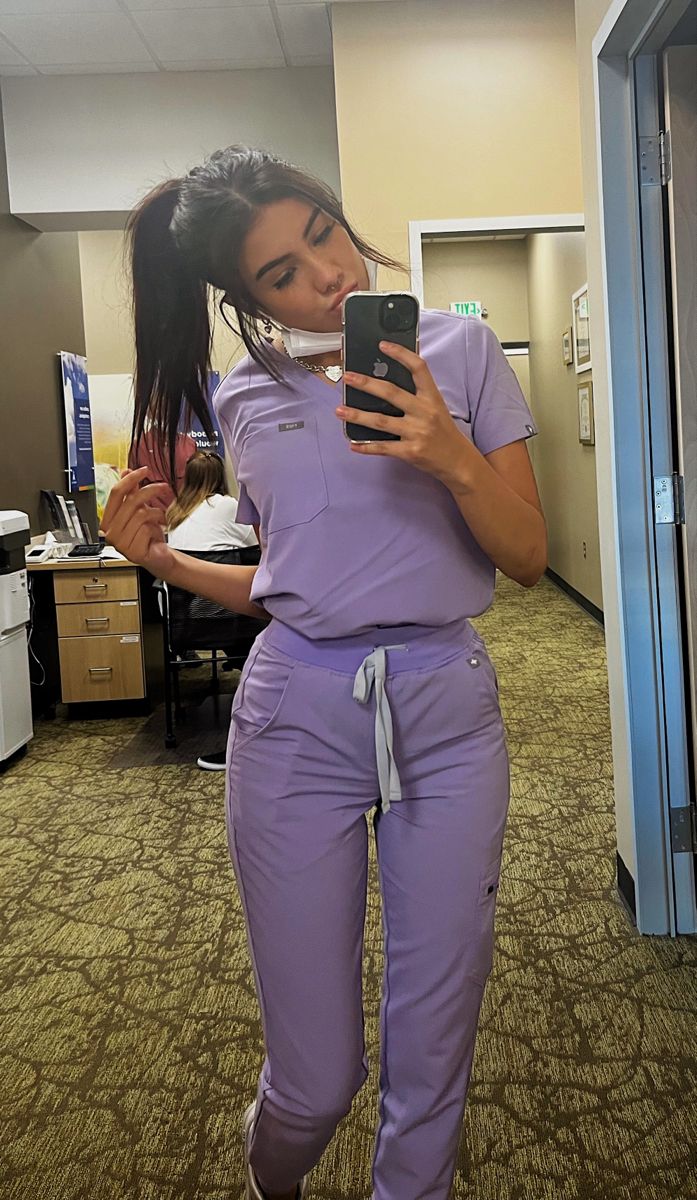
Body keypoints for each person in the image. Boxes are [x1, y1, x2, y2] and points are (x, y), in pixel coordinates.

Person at [102, 145, 547, 1200]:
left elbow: (527, 555)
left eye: (324, 236)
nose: (329, 276)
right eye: (284, 274)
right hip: (296, 717)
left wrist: (444, 449)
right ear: (244, 298)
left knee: (431, 1054)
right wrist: (162, 562)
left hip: (445, 710)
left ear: (342, 219)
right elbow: (289, 583)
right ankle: (272, 1177)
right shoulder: (242, 397)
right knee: (315, 1080)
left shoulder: (464, 353)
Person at [166, 450, 259, 552]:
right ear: (220, 478)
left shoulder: (175, 511)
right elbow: (257, 541)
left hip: (181, 567)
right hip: (217, 566)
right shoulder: (226, 506)